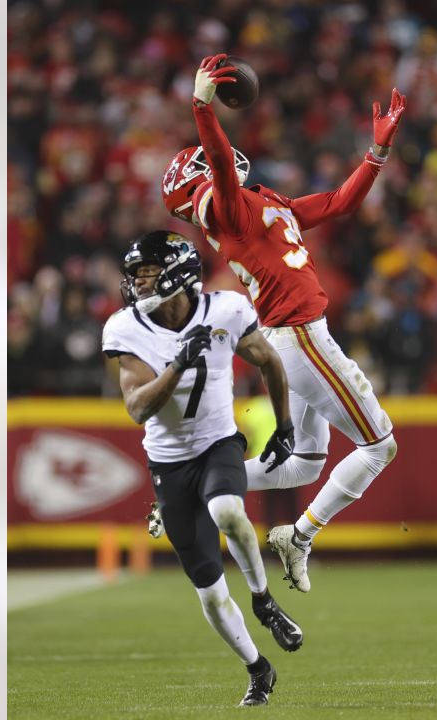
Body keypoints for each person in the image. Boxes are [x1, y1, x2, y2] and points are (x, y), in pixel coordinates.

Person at [157, 54, 406, 593]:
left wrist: (377, 153)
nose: (213, 161)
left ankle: (191, 484)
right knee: (379, 445)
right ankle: (300, 535)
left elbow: (339, 202)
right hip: (299, 334)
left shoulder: (262, 204)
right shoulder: (229, 211)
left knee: (303, 468)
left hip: (293, 338)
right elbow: (222, 165)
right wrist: (201, 106)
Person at [102, 230, 304, 707]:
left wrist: (286, 424)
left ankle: (263, 599)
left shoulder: (227, 310)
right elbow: (136, 409)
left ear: (177, 273)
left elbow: (270, 361)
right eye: (136, 276)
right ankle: (259, 668)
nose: (140, 284)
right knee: (210, 593)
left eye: (148, 273)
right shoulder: (124, 328)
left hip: (218, 444)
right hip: (169, 465)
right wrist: (177, 365)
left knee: (228, 511)